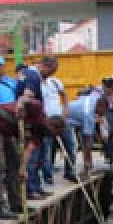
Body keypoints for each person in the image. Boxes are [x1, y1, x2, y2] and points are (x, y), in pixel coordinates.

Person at [0, 76, 26, 220]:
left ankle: (16, 202)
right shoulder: (37, 113)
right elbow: (23, 100)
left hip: (6, 127)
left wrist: (23, 167)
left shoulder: (39, 128)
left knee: (14, 162)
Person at [39, 56, 77, 184]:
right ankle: (48, 177)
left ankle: (70, 172)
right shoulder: (36, 83)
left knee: (71, 145)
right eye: (52, 69)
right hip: (47, 121)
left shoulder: (55, 82)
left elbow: (64, 96)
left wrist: (65, 112)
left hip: (61, 120)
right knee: (47, 149)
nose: (53, 72)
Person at [67, 89, 108, 177]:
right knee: (72, 146)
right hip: (64, 120)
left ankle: (86, 165)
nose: (102, 115)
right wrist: (88, 162)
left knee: (77, 144)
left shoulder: (93, 99)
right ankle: (71, 172)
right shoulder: (88, 113)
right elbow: (88, 141)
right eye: (103, 112)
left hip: (69, 114)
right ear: (100, 106)